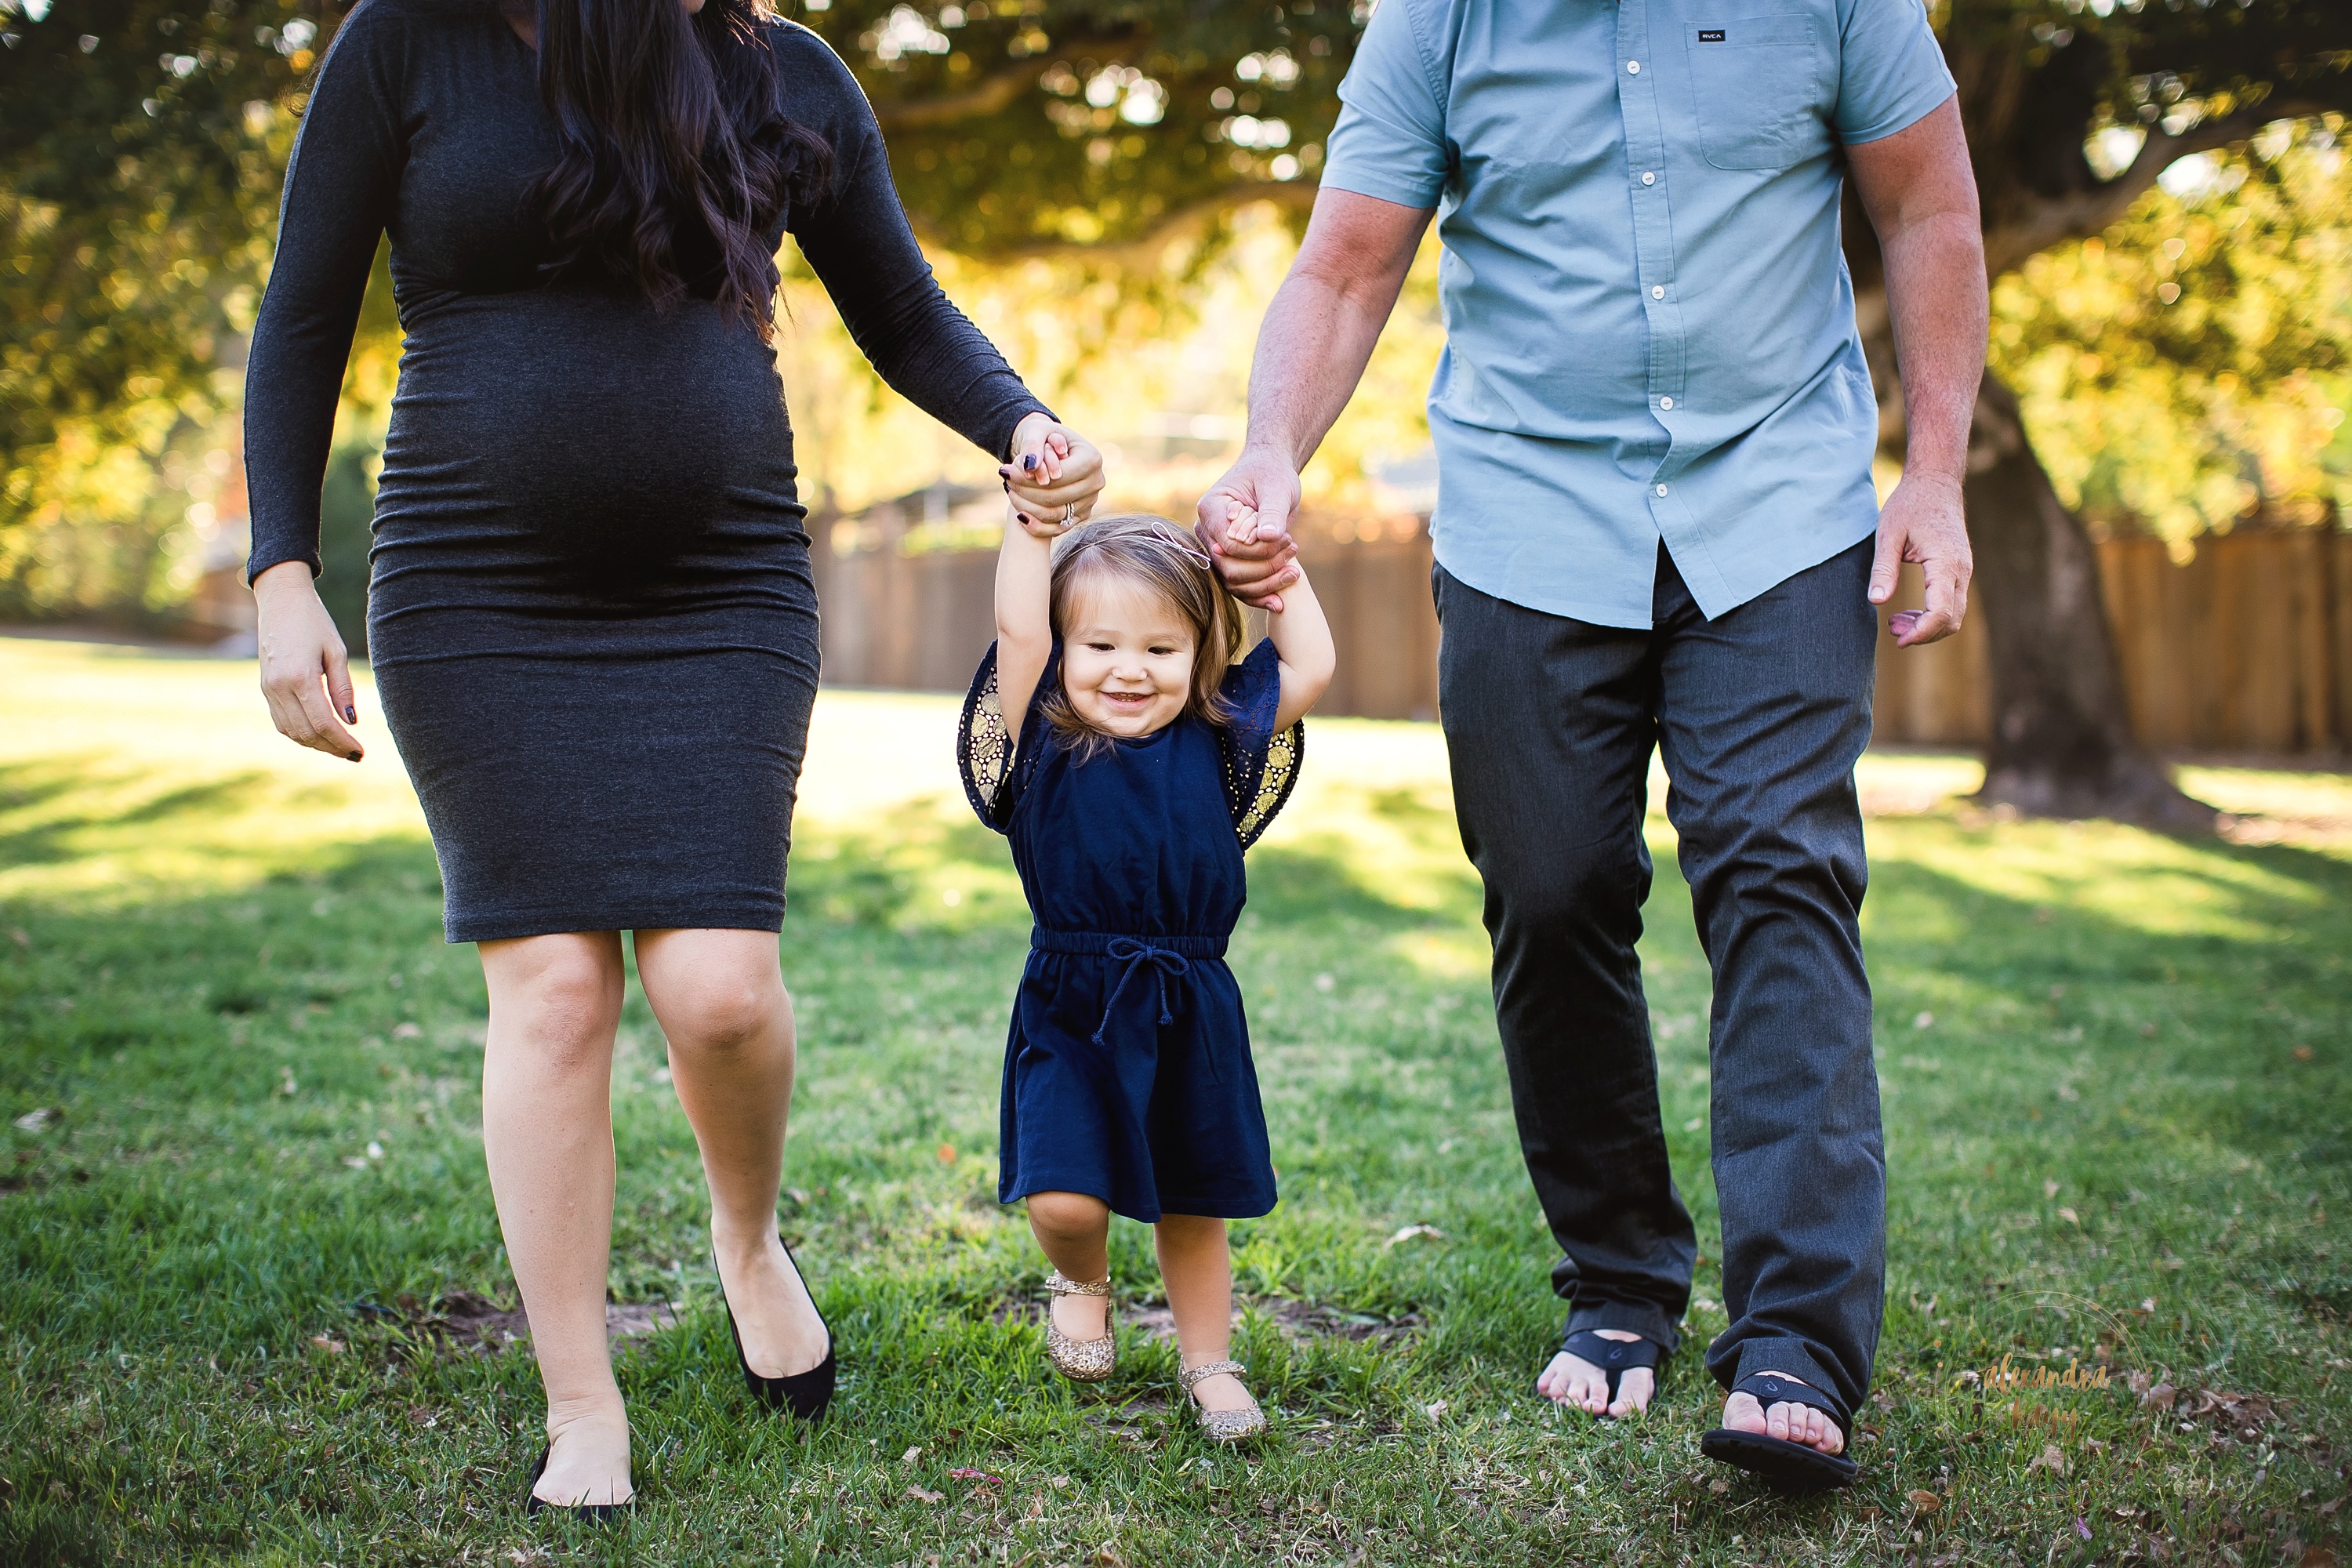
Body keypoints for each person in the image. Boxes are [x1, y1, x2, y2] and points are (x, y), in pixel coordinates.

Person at [242, 0, 1102, 1517]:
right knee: (557, 989)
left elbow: (898, 309)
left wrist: (1024, 421)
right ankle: (583, 1402)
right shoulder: (408, 43)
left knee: (718, 990)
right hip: (472, 578)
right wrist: (278, 572)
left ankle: (746, 1237)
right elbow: (305, 310)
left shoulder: (779, 69)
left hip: (720, 585)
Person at [1199, 0, 1985, 1490]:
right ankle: (1623, 1282)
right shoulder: (1435, 19)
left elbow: (1929, 205)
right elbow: (1349, 261)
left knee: (1777, 870)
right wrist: (1269, 447)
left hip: (1781, 502)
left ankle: (1797, 1343)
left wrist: (1932, 473)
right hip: (1526, 512)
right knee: (1551, 888)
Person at [955, 509, 1334, 1442]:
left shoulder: (1218, 731)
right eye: (1102, 643)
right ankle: (1082, 1278)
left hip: (1189, 1000)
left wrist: (1275, 574)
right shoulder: (1040, 726)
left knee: (1194, 1197)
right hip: (1073, 996)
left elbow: (1312, 664)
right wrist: (1032, 527)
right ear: (1064, 647)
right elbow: (1018, 625)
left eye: (1163, 647)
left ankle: (1211, 1361)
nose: (1130, 668)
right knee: (1062, 1193)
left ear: (1203, 653)